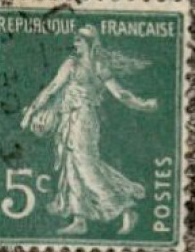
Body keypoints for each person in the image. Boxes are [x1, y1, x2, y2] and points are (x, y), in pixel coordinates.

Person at [20, 25, 159, 236]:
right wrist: (32, 111)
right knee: (71, 165)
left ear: (88, 43)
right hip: (69, 119)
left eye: (78, 40)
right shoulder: (71, 64)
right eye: (75, 40)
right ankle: (79, 219)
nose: (75, 44)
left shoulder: (98, 65)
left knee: (85, 164)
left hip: (84, 119)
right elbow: (52, 89)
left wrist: (142, 104)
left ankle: (124, 207)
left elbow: (120, 93)